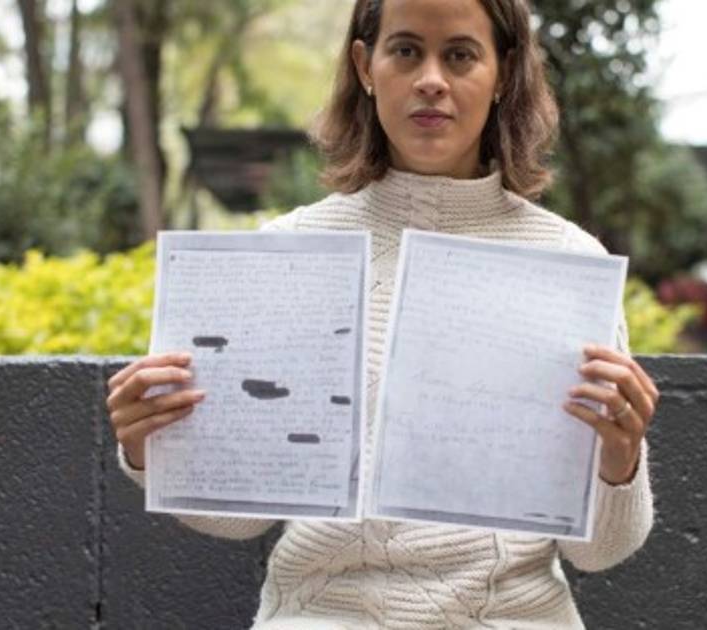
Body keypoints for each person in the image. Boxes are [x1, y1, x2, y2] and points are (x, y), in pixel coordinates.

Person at [105, 0, 659, 627]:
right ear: (366, 66)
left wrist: (621, 458)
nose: (431, 79)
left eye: (460, 55)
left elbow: (601, 551)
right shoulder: (291, 252)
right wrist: (152, 446)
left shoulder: (569, 263)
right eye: (406, 51)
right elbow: (237, 519)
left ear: (504, 72)